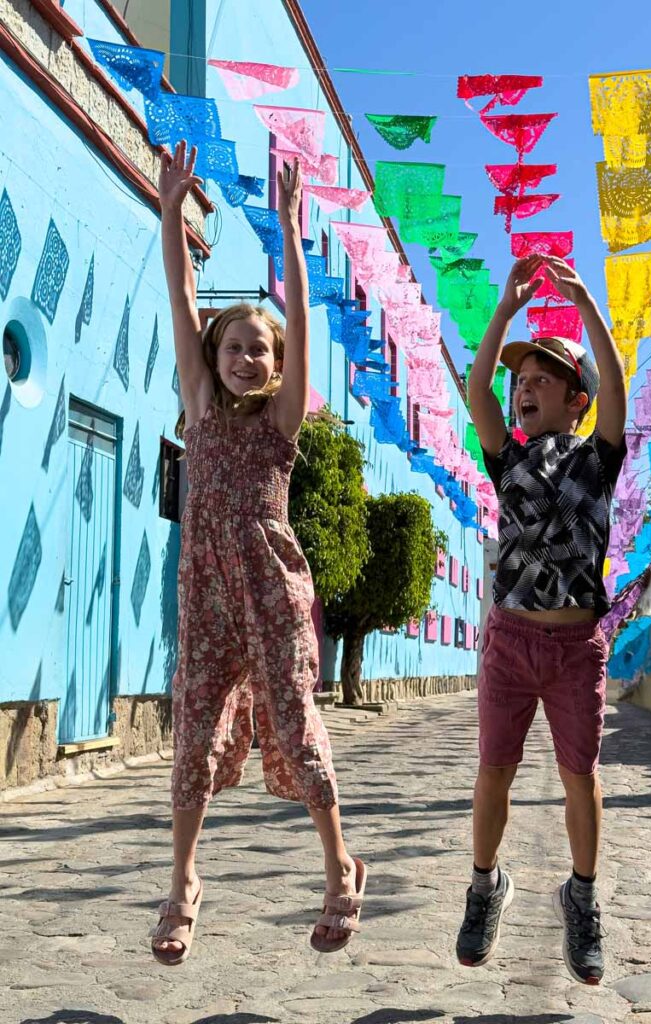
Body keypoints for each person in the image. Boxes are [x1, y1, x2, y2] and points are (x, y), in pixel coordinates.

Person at [150, 141, 366, 965]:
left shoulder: (281, 432)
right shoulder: (199, 410)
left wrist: (289, 229)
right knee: (194, 736)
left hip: (274, 596)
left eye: (261, 351)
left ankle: (340, 868)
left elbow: (303, 321)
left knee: (296, 722)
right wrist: (171, 211)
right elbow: (182, 295)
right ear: (214, 357)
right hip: (206, 597)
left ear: (279, 371)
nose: (248, 357)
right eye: (235, 345)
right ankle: (183, 885)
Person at [457, 254, 627, 985]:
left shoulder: (599, 458)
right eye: (520, 382)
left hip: (574, 649)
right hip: (512, 640)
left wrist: (585, 301)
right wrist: (503, 310)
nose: (523, 389)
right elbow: (476, 390)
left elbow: (618, 384)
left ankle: (581, 900)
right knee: (493, 771)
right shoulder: (507, 460)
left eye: (541, 380)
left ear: (575, 400)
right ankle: (484, 886)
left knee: (578, 779)